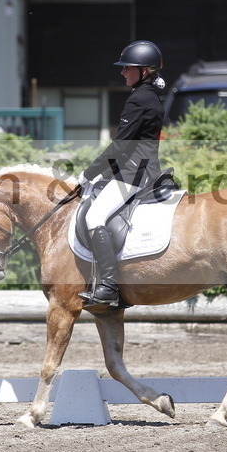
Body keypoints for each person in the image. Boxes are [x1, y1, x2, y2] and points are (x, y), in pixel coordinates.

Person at [76, 40, 166, 307]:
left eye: (128, 68)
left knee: (94, 217)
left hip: (135, 174)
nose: (123, 72)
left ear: (145, 71)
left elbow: (120, 146)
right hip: (137, 168)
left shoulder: (139, 99)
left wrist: (88, 174)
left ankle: (108, 286)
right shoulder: (149, 95)